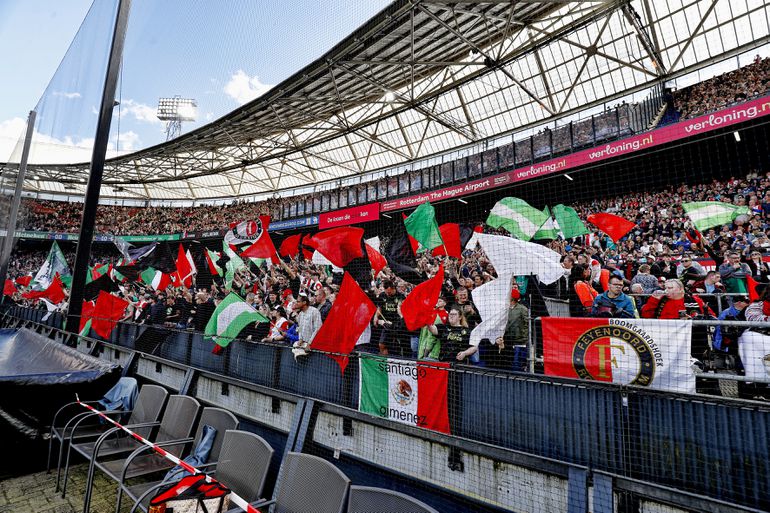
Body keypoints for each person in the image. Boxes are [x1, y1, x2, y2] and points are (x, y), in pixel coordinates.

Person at [489, 289, 529, 371]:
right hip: (506, 340)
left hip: (518, 341)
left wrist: (523, 335)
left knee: (516, 363)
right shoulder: (504, 308)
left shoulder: (522, 309)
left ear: (512, 298)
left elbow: (527, 324)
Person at [292, 293, 321, 359]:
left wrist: (309, 344)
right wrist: (300, 339)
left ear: (304, 302)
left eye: (298, 302)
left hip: (313, 347)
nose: (296, 303)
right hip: (303, 345)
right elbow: (300, 329)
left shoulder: (314, 311)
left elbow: (317, 329)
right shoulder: (300, 314)